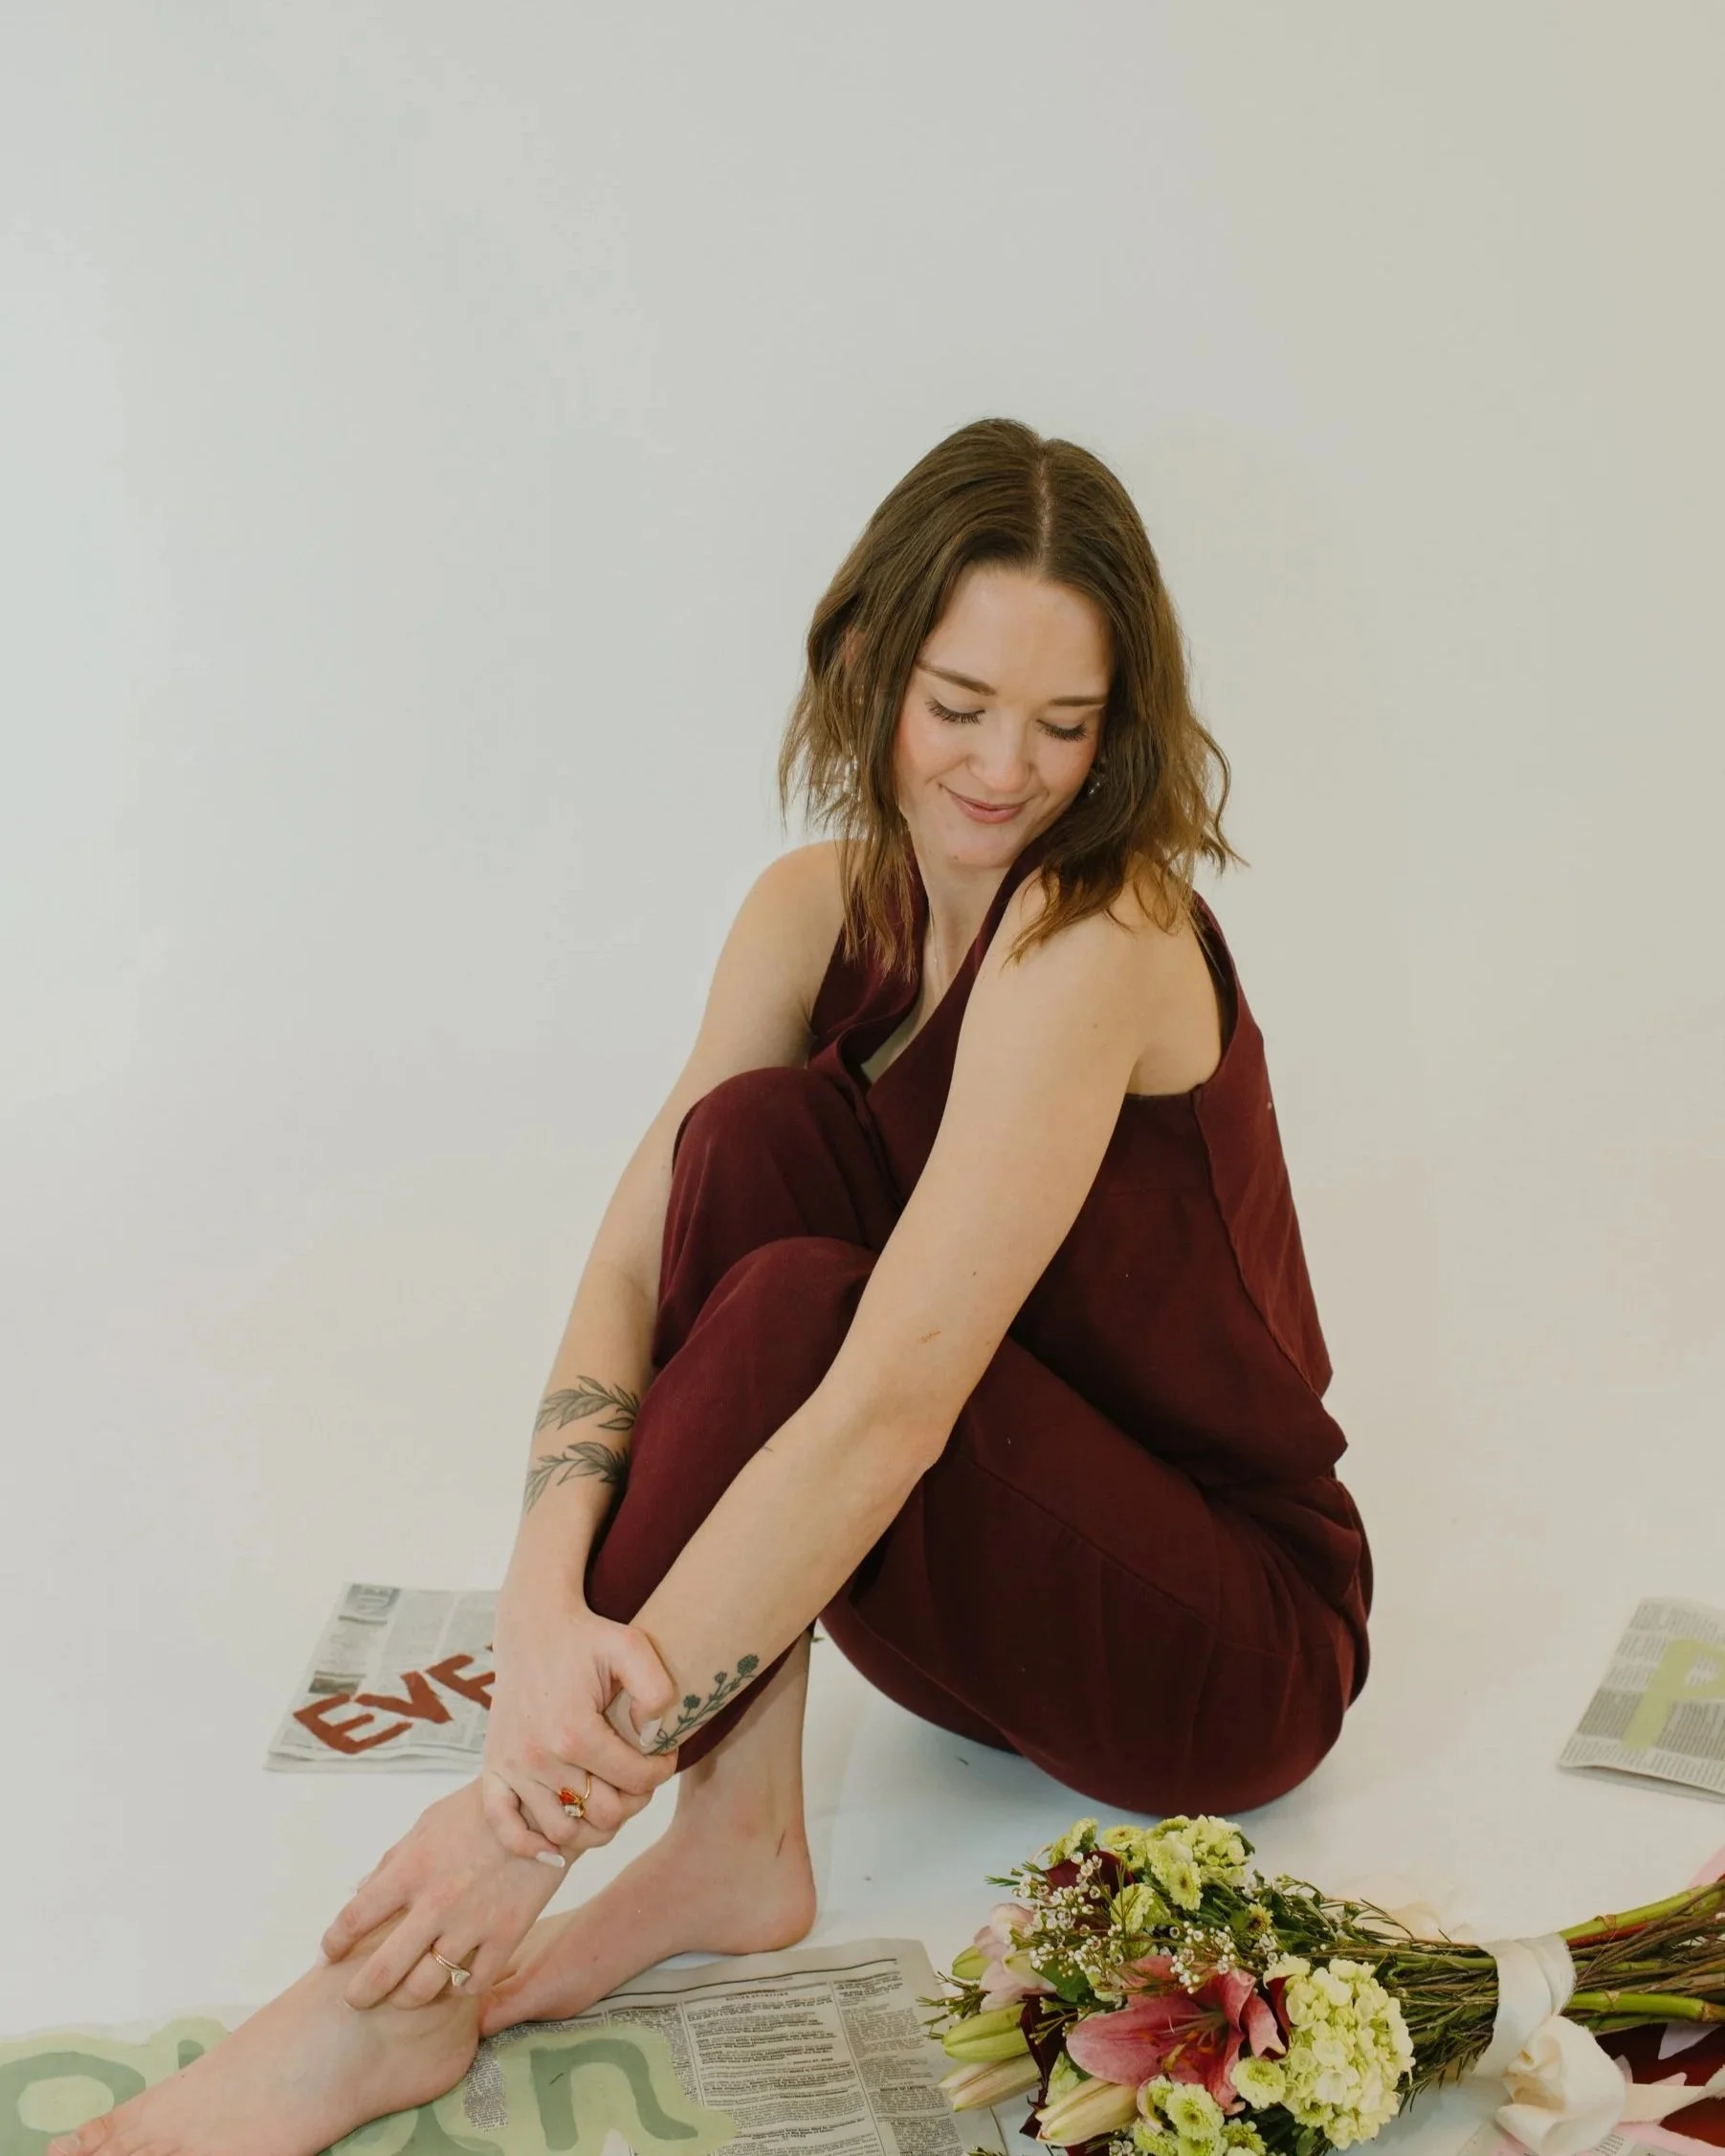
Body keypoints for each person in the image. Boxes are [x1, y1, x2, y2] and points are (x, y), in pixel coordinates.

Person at [49, 417, 1372, 2156]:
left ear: (1118, 731)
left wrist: (511, 1827)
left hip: (1214, 1646)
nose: (1001, 772)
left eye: (1064, 726)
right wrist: (536, 1601)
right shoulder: (813, 906)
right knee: (746, 1145)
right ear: (869, 664)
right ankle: (736, 1841)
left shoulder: (1094, 937)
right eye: (956, 706)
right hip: (977, 1595)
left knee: (815, 1315)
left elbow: (886, 1401)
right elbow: (631, 1254)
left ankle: (383, 2007)